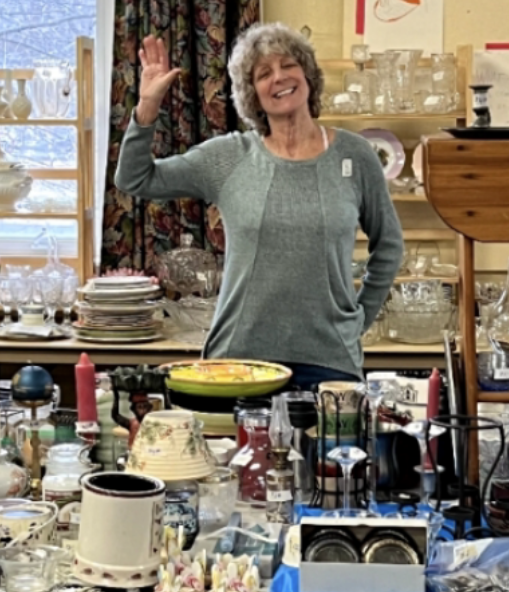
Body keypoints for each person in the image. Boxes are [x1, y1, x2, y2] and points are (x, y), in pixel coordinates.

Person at [115, 23, 404, 390]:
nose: (279, 77)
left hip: (330, 362)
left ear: (308, 74)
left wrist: (359, 319)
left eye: (288, 65)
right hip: (238, 360)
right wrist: (147, 106)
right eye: (264, 73)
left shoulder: (356, 155)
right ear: (252, 93)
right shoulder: (228, 156)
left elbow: (389, 245)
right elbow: (134, 179)